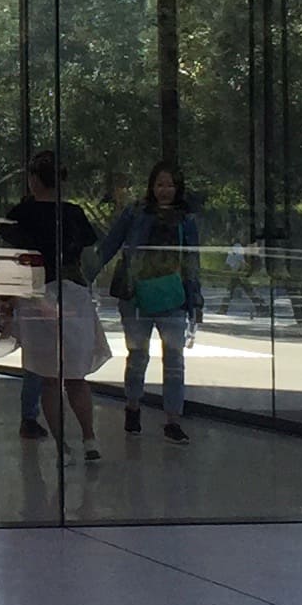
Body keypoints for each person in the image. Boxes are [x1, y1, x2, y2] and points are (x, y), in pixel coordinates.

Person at [1, 151, 104, 464]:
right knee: (75, 376)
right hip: (74, 295)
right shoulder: (73, 214)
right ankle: (89, 439)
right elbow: (89, 256)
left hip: (37, 294)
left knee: (48, 377)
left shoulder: (22, 213)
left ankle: (63, 447)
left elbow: (12, 257)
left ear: (34, 179)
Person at [95, 162, 204, 444]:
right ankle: (133, 407)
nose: (164, 190)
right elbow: (110, 245)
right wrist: (86, 275)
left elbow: (192, 261)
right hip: (136, 296)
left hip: (173, 297)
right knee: (138, 356)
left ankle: (172, 420)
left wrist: (195, 300)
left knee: (175, 361)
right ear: (151, 187)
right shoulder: (136, 212)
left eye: (169, 185)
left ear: (178, 188)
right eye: (159, 184)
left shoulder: (186, 219)